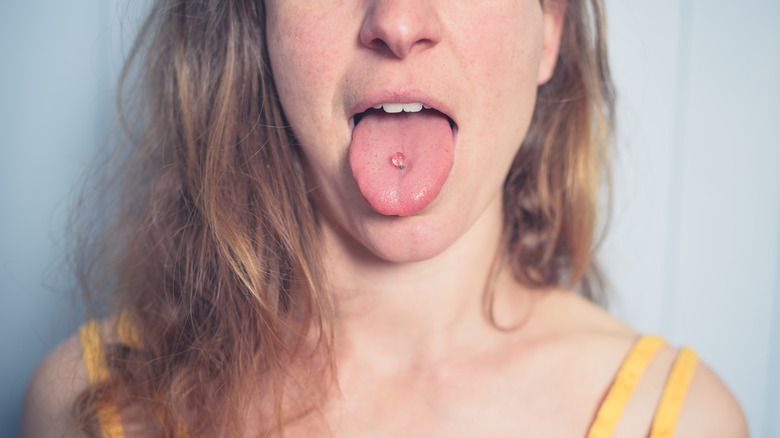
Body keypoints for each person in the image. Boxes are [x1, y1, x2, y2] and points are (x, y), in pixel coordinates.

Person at [21, 0, 748, 436]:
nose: (398, 22)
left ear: (550, 26)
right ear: (260, 23)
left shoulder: (682, 422)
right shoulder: (90, 407)